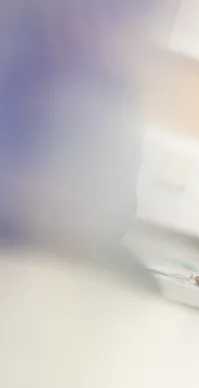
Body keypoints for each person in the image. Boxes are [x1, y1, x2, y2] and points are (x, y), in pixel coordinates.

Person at [0, 0, 179, 291]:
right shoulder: (14, 42)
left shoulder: (117, 88)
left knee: (139, 285)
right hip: (14, 233)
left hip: (66, 244)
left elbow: (121, 209)